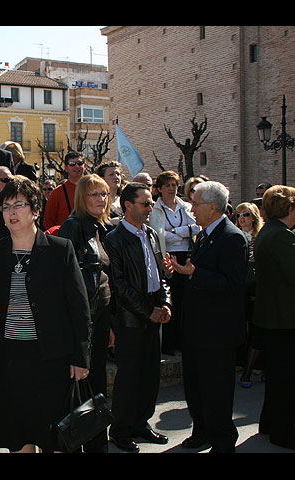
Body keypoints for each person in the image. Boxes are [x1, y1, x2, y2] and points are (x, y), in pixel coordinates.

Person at [0, 176, 90, 453]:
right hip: (10, 356)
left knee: (54, 435)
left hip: (52, 356)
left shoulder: (59, 250)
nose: (11, 212)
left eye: (19, 205)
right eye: (6, 206)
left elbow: (79, 307)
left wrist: (80, 357)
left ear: (35, 210)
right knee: (18, 435)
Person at [170, 181, 248, 453]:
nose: (191, 208)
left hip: (217, 332)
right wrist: (182, 272)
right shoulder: (203, 234)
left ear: (213, 207)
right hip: (196, 329)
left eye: (196, 204)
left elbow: (234, 283)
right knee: (195, 386)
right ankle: (201, 430)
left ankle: (223, 442)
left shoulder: (231, 237)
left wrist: (194, 274)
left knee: (216, 391)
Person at [104, 182, 172, 453]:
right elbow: (119, 286)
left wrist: (166, 302)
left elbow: (161, 274)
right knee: (129, 377)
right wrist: (148, 310)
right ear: (128, 205)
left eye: (151, 203)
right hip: (131, 320)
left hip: (153, 316)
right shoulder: (114, 239)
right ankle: (120, 430)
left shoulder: (152, 233)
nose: (150, 208)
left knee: (149, 375)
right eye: (145, 203)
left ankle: (141, 423)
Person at [58, 174, 114, 452]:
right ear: (82, 197)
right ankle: (85, 443)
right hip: (84, 319)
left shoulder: (100, 227)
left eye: (103, 194)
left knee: (96, 382)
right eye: (94, 194)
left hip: (101, 315)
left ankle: (96, 443)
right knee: (84, 385)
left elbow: (104, 277)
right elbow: (66, 280)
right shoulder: (73, 227)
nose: (101, 200)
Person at [250, 185, 295, 451]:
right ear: (289, 209)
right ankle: (282, 431)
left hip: (272, 317)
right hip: (283, 318)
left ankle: (269, 423)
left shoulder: (272, 233)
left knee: (277, 376)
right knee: (286, 380)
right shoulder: (280, 236)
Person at [149, 170, 199, 356]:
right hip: (167, 257)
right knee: (170, 300)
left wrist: (176, 231)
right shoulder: (155, 209)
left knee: (185, 300)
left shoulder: (185, 206)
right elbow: (158, 233)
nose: (171, 189)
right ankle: (168, 343)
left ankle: (182, 340)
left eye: (174, 185)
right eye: (167, 185)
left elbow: (197, 226)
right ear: (160, 189)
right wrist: (182, 231)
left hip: (186, 255)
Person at [235, 202, 264, 388]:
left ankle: (251, 369)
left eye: (245, 214)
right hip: (239, 287)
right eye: (238, 215)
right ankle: (240, 362)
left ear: (253, 216)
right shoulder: (235, 236)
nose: (242, 218)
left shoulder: (260, 236)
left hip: (256, 288)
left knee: (255, 327)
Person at [43, 152, 86, 230]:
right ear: (66, 168)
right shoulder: (57, 193)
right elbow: (48, 223)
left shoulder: (93, 188)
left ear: (85, 166)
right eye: (72, 164)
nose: (76, 166)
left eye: (80, 163)